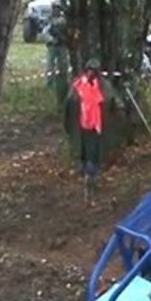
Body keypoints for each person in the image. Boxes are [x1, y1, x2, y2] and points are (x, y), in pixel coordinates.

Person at [65, 57, 107, 197]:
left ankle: (89, 176)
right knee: (89, 152)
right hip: (87, 125)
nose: (91, 74)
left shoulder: (81, 85)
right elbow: (68, 106)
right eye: (90, 71)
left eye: (92, 71)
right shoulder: (82, 86)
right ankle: (89, 176)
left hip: (89, 125)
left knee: (89, 151)